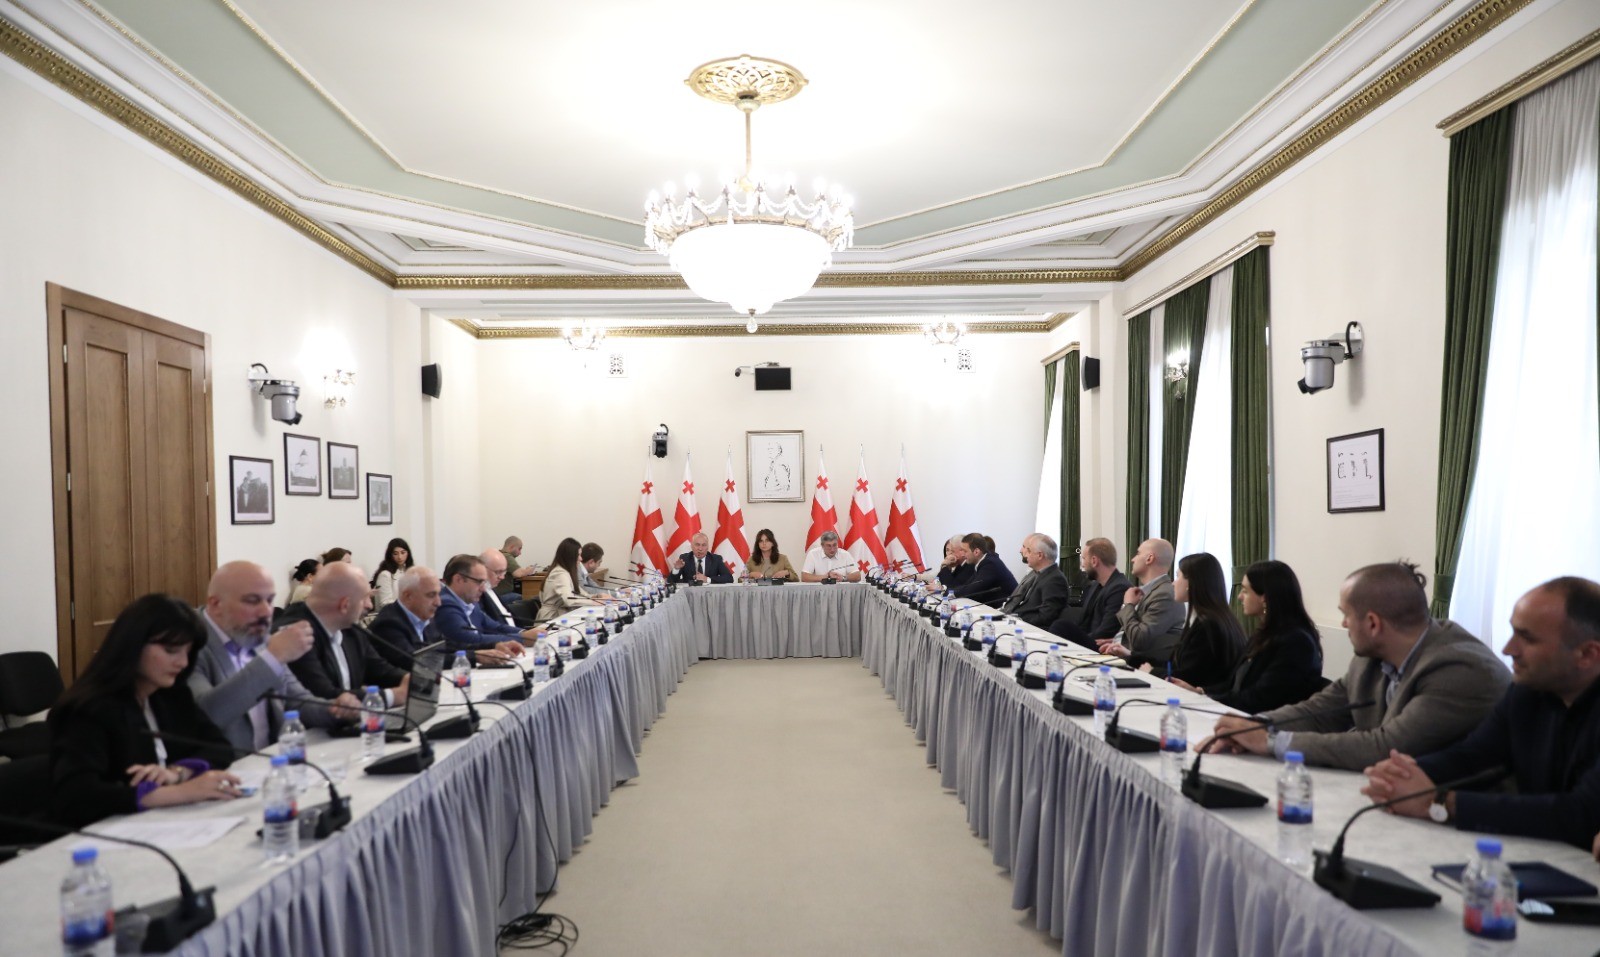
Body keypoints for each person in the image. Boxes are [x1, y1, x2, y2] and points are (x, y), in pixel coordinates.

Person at [1360, 577, 1600, 849]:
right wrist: (1403, 774)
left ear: (1587, 654)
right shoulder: (1528, 691)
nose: (1508, 649)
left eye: (1527, 639)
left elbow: (1581, 813)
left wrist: (1440, 802)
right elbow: (1473, 756)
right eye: (1513, 632)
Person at [1200, 562, 1510, 769]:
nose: (1344, 624)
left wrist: (1270, 741)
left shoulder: (1458, 669)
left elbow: (1386, 746)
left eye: (1346, 614)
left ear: (1373, 623)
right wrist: (1257, 725)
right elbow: (1320, 710)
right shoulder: (1371, 657)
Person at [47, 595, 241, 828]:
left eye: (188, 652)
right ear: (133, 646)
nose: (182, 662)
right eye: (171, 650)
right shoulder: (87, 710)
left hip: (162, 824)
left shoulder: (170, 695)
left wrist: (178, 773)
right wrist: (180, 792)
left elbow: (220, 747)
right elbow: (76, 797)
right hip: (107, 832)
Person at [190, 561, 355, 753]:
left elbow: (297, 701)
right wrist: (273, 657)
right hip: (224, 768)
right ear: (216, 604)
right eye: (252, 601)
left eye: (269, 601)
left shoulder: (256, 637)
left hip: (274, 762)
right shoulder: (188, 644)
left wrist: (336, 710)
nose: (266, 611)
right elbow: (207, 715)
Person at [1175, 560, 1322, 712]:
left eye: (1245, 591)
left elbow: (1260, 699)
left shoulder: (1296, 643)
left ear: (1264, 598)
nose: (1239, 596)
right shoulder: (1263, 635)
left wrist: (1205, 700)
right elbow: (1233, 684)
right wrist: (1199, 692)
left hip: (1266, 721)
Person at [283, 562, 411, 707]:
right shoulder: (296, 634)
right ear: (345, 605)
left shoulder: (350, 627)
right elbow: (323, 696)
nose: (369, 605)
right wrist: (392, 696)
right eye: (365, 598)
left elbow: (378, 669)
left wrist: (409, 679)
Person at [1116, 552, 1244, 688]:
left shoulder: (1208, 625)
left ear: (1191, 583)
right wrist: (1131, 656)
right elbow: (1175, 664)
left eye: (1178, 576)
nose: (1173, 583)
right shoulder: (1205, 619)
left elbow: (1187, 677)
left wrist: (1152, 672)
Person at [1102, 538, 1186, 666]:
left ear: (1149, 558)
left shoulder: (1165, 594)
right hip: (1118, 654)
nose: (1133, 559)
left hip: (1137, 665)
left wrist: (1128, 605)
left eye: (1138, 553)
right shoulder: (1149, 591)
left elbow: (1140, 641)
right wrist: (1117, 641)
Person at [1049, 537, 1132, 648]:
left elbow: (1107, 631)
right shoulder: (1095, 585)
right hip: (1089, 639)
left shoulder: (1119, 588)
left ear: (1094, 561)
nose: (1082, 565)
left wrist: (1077, 639)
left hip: (1103, 646)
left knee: (1061, 626)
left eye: (1083, 559)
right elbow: (1084, 622)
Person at [1000, 534, 1070, 628]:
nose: (1026, 555)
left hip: (1033, 630)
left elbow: (1046, 616)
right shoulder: (1037, 573)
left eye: (1029, 551)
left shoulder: (1055, 580)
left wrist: (1018, 620)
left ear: (1040, 555)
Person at [537, 538, 607, 621]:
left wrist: (597, 596)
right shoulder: (560, 573)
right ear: (570, 556)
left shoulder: (566, 572)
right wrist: (595, 602)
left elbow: (581, 593)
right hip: (550, 618)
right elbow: (570, 600)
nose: (581, 559)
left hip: (559, 616)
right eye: (579, 555)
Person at [950, 533, 1017, 603]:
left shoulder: (990, 564)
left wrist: (950, 594)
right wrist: (947, 591)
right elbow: (967, 585)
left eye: (965, 551)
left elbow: (972, 590)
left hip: (1009, 607)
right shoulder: (983, 561)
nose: (963, 555)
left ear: (976, 552)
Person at [369, 538, 414, 614]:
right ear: (390, 555)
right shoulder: (385, 575)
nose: (400, 557)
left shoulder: (409, 572)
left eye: (403, 553)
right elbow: (385, 603)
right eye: (395, 554)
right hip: (390, 616)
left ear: (408, 553)